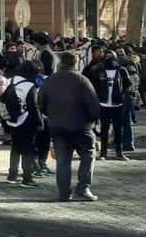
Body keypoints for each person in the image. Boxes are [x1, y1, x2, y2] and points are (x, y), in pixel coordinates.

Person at [37, 51, 101, 202]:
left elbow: (41, 102)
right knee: (88, 154)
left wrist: (52, 116)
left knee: (63, 160)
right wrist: (91, 122)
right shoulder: (81, 80)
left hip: (57, 126)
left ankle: (64, 192)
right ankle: (83, 187)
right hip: (80, 126)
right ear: (76, 63)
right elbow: (94, 105)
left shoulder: (50, 80)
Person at [4, 60, 43, 187]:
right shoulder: (30, 86)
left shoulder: (11, 80)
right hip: (27, 120)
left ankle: (12, 175)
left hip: (12, 119)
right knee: (28, 149)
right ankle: (27, 178)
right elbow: (34, 106)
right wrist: (40, 121)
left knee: (15, 148)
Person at [91, 52, 132, 161]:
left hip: (117, 104)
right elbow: (93, 84)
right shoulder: (100, 70)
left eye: (111, 57)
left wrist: (123, 94)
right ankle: (103, 153)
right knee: (104, 129)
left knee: (118, 130)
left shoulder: (121, 70)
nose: (109, 60)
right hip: (103, 104)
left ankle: (119, 152)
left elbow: (128, 84)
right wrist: (97, 97)